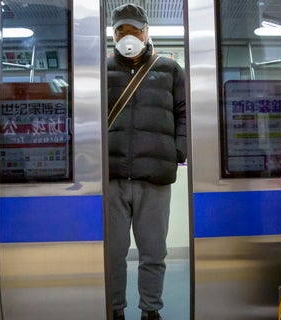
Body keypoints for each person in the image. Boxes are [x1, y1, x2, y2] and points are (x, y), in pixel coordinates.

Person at [106, 3, 187, 320]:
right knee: (113, 253)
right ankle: (114, 308)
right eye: (122, 31)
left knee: (154, 252)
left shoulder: (169, 69)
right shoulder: (102, 70)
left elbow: (185, 114)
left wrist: (177, 151)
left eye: (135, 30)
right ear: (114, 35)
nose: (129, 37)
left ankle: (150, 309)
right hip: (112, 177)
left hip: (154, 179)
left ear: (146, 32)